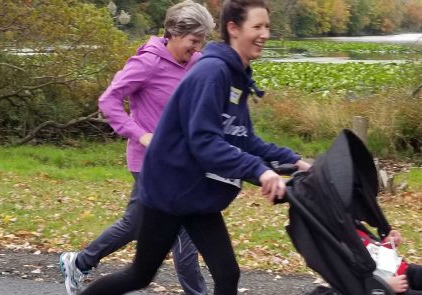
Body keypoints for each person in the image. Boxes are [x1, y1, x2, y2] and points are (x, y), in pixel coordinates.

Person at [80, 0, 311, 294]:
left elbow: (243, 137)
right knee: (139, 275)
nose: (265, 33)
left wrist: (295, 162)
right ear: (233, 29)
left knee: (228, 274)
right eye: (257, 26)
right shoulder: (213, 72)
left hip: (194, 190)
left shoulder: (234, 76)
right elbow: (204, 140)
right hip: (168, 188)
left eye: (267, 26)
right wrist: (260, 171)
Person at [59, 1, 215, 295]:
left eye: (202, 41)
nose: (198, 48)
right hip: (150, 164)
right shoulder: (147, 63)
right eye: (194, 41)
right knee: (183, 235)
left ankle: (79, 262)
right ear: (174, 32)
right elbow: (109, 101)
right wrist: (141, 135)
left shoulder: (196, 63)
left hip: (182, 164)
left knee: (138, 225)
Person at [357, 225, 422, 294]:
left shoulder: (353, 228)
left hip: (404, 269)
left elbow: (374, 250)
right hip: (388, 288)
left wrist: (388, 243)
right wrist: (383, 285)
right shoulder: (345, 249)